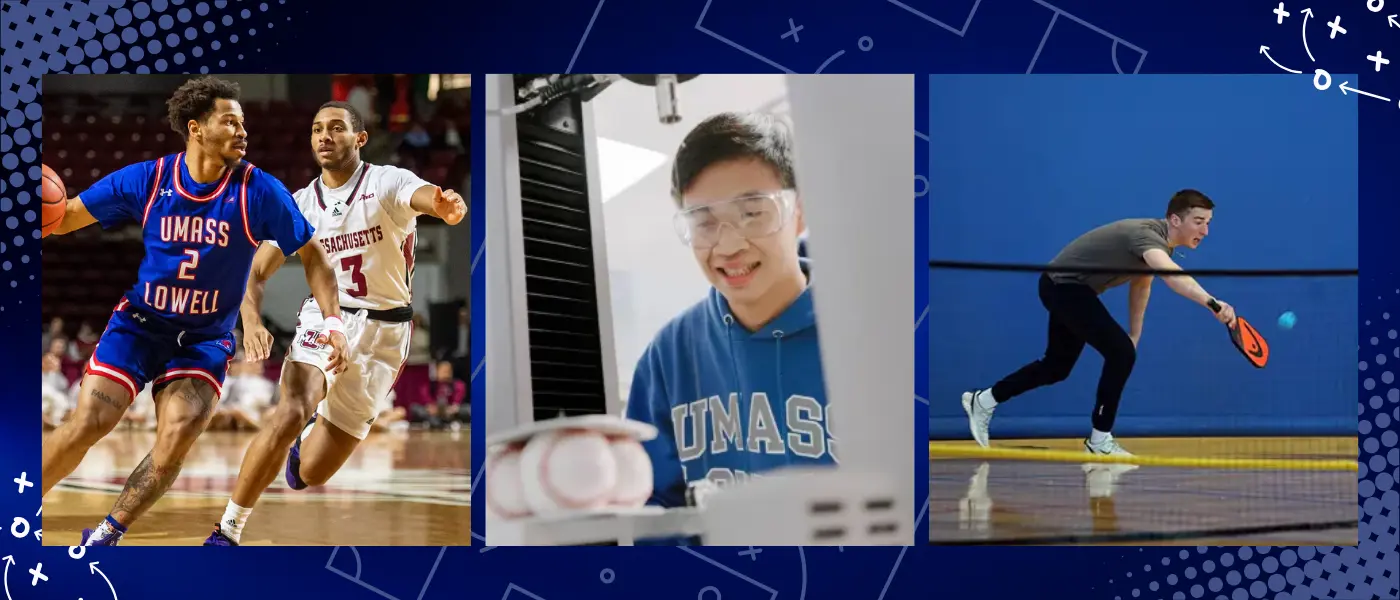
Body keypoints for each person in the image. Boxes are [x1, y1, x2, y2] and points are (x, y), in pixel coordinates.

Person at [39, 76, 347, 546]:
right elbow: (67, 216)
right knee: (89, 424)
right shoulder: (150, 178)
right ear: (195, 128)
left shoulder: (259, 191)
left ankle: (107, 533)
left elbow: (314, 258)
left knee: (176, 438)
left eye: (243, 122)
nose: (243, 131)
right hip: (140, 326)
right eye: (230, 121)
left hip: (203, 342)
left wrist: (332, 322)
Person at [203, 101, 466, 546]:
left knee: (312, 473)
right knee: (290, 408)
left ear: (360, 138)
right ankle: (227, 530)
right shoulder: (301, 204)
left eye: (336, 128)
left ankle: (303, 439)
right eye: (316, 128)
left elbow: (426, 198)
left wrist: (444, 205)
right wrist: (250, 320)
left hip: (387, 334)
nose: (324, 135)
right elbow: (254, 272)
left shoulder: (387, 181)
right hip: (327, 316)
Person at [624, 112, 831, 522]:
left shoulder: (869, 331)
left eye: (754, 212)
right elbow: (652, 508)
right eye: (703, 222)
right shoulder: (668, 356)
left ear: (801, 212)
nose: (729, 245)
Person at [960, 190, 1236, 457]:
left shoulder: (1160, 246)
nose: (1204, 231)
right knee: (1118, 353)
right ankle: (1100, 438)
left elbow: (1142, 286)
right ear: (1175, 220)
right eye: (1198, 222)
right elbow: (1170, 275)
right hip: (1064, 287)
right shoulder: (1147, 236)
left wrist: (1134, 335)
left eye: (1208, 223)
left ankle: (983, 400)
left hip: (1066, 288)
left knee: (1057, 367)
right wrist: (1212, 302)